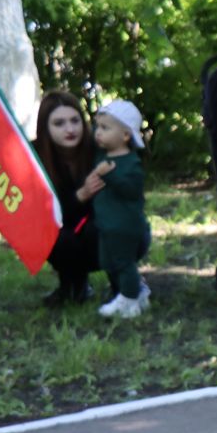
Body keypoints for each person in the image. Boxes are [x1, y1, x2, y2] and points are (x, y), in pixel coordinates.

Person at [82, 100, 150, 319]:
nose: (98, 133)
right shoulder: (102, 157)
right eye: (97, 127)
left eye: (105, 128)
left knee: (124, 262)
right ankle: (133, 293)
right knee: (107, 262)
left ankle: (130, 300)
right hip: (107, 223)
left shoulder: (131, 163)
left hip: (124, 225)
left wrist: (109, 175)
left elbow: (132, 191)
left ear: (125, 135)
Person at [32, 91, 99, 307]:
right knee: (58, 237)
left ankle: (126, 283)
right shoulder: (35, 158)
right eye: (59, 123)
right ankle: (71, 286)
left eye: (74, 121)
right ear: (46, 128)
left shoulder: (99, 149)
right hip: (60, 231)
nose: (69, 129)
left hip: (98, 228)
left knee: (99, 228)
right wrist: (80, 195)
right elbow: (42, 212)